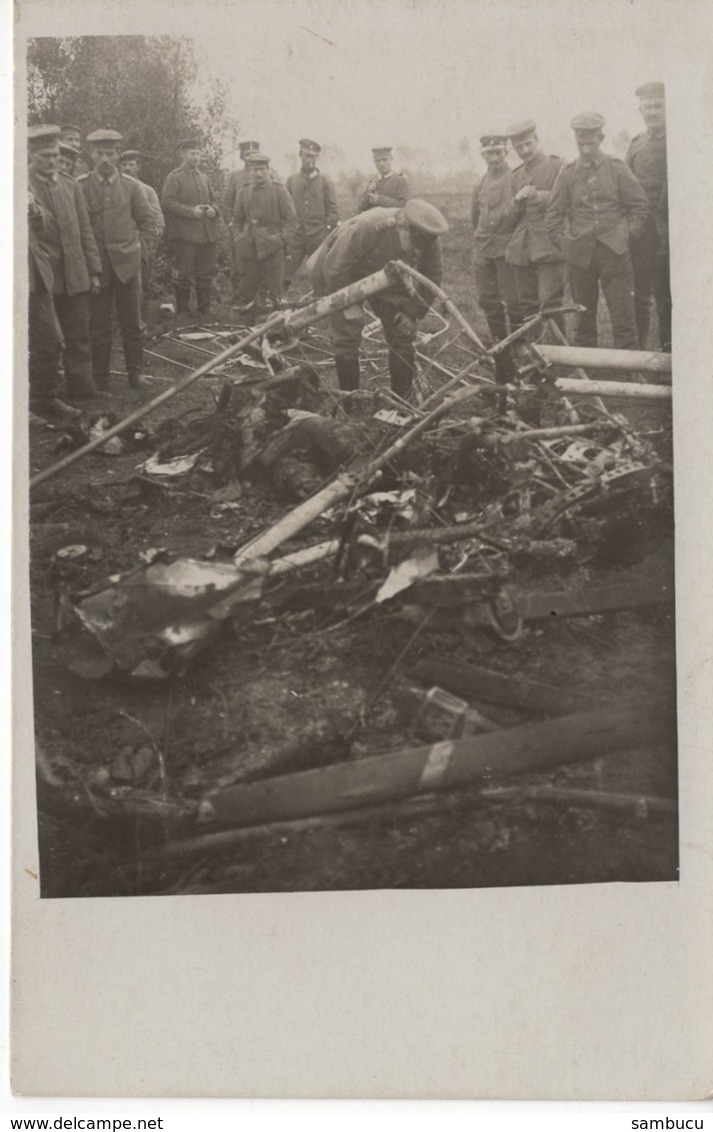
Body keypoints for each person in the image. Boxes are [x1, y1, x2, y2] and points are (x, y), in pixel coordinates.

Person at [308, 199, 448, 397]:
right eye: (412, 248)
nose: (414, 253)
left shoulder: (428, 237)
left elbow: (431, 276)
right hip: (346, 272)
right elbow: (335, 269)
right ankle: (351, 401)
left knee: (402, 334)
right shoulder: (369, 226)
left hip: (388, 274)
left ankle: (402, 401)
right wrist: (348, 306)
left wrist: (412, 312)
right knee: (347, 334)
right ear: (403, 228)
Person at [545, 113, 649, 350]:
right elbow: (553, 214)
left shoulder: (617, 168)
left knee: (624, 319)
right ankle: (587, 376)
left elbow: (639, 206)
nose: (586, 147)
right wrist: (563, 243)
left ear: (601, 137)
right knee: (583, 320)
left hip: (616, 253)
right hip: (580, 257)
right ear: (575, 139)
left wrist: (627, 235)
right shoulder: (568, 172)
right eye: (581, 142)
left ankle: (628, 376)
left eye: (590, 142)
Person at [28, 124, 103, 404]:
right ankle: (46, 397)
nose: (52, 161)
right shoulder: (20, 185)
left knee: (79, 336)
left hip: (75, 274)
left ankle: (82, 392)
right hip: (43, 279)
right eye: (45, 155)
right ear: (31, 154)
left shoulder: (70, 186)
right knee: (46, 342)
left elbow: (85, 231)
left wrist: (94, 270)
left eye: (54, 154)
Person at [78, 128, 157, 392]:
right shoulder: (81, 186)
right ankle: (100, 378)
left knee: (133, 323)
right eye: (99, 153)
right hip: (97, 269)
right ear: (91, 154)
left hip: (128, 265)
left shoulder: (131, 186)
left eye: (109, 153)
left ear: (117, 155)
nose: (104, 159)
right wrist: (89, 267)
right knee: (98, 326)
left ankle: (136, 374)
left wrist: (141, 254)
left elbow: (148, 223)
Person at [504, 119, 566, 335]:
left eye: (528, 144)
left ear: (537, 140)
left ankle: (561, 358)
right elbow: (508, 220)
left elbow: (571, 201)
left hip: (550, 246)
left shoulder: (557, 165)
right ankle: (536, 358)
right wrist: (517, 200)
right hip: (523, 250)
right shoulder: (515, 175)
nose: (525, 150)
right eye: (519, 147)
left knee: (551, 304)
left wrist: (543, 197)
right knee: (528, 306)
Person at [27, 187, 81, 424]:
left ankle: (44, 398)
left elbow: (44, 225)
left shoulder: (21, 181)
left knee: (51, 340)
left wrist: (33, 209)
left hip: (35, 275)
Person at [626, 82, 671, 350]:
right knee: (639, 294)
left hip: (671, 230)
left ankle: (670, 352)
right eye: (648, 107)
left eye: (658, 106)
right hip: (641, 231)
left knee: (666, 295)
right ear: (640, 110)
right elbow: (626, 183)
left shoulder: (679, 141)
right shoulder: (636, 144)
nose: (653, 112)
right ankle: (640, 354)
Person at [230, 153, 298, 318]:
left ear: (268, 170)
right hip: (248, 246)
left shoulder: (279, 191)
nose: (258, 174)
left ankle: (275, 326)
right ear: (250, 171)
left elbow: (292, 221)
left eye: (262, 169)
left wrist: (280, 239)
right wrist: (239, 237)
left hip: (272, 247)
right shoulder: (244, 191)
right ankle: (247, 324)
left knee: (274, 289)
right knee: (247, 286)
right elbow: (237, 219)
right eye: (255, 169)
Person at [161, 137, 221, 318]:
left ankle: (204, 309)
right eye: (192, 153)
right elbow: (167, 202)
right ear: (183, 154)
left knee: (205, 273)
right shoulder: (174, 177)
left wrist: (214, 210)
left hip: (206, 234)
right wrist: (190, 211)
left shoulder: (204, 177)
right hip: (185, 235)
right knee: (184, 274)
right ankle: (183, 310)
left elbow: (215, 200)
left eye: (198, 153)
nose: (196, 157)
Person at [471, 131, 521, 344]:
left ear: (506, 152)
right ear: (483, 155)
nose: (494, 158)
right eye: (489, 153)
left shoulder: (516, 178)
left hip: (507, 249)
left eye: (498, 152)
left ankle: (520, 344)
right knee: (488, 300)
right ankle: (500, 342)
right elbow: (475, 217)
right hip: (483, 250)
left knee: (513, 300)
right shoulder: (480, 184)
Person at [223, 141, 281, 304]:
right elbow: (228, 202)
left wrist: (278, 236)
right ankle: (240, 303)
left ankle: (264, 304)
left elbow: (280, 202)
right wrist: (234, 228)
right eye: (248, 154)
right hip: (244, 232)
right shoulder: (235, 176)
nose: (251, 156)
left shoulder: (271, 174)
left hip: (266, 234)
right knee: (239, 269)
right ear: (243, 157)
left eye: (255, 153)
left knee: (267, 272)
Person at [284, 139, 339, 289]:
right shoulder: (291, 181)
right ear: (300, 155)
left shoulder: (324, 181)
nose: (310, 160)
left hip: (318, 235)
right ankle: (278, 303)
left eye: (313, 157)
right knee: (285, 271)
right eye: (307, 155)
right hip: (296, 234)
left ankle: (321, 305)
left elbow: (333, 210)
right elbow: (284, 208)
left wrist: (326, 228)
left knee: (320, 273)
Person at [119, 149, 165, 301]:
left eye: (131, 164)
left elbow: (158, 220)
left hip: (141, 245)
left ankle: (142, 319)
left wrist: (148, 244)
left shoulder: (147, 191)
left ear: (138, 167)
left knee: (141, 287)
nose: (127, 168)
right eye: (124, 164)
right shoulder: (115, 189)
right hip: (120, 246)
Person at [357, 147, 409, 212]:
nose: (382, 164)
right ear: (374, 162)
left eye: (385, 159)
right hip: (373, 221)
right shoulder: (373, 182)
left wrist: (379, 200)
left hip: (392, 220)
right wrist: (369, 191)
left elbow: (402, 205)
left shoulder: (400, 180)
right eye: (378, 161)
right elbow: (360, 209)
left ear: (391, 159)